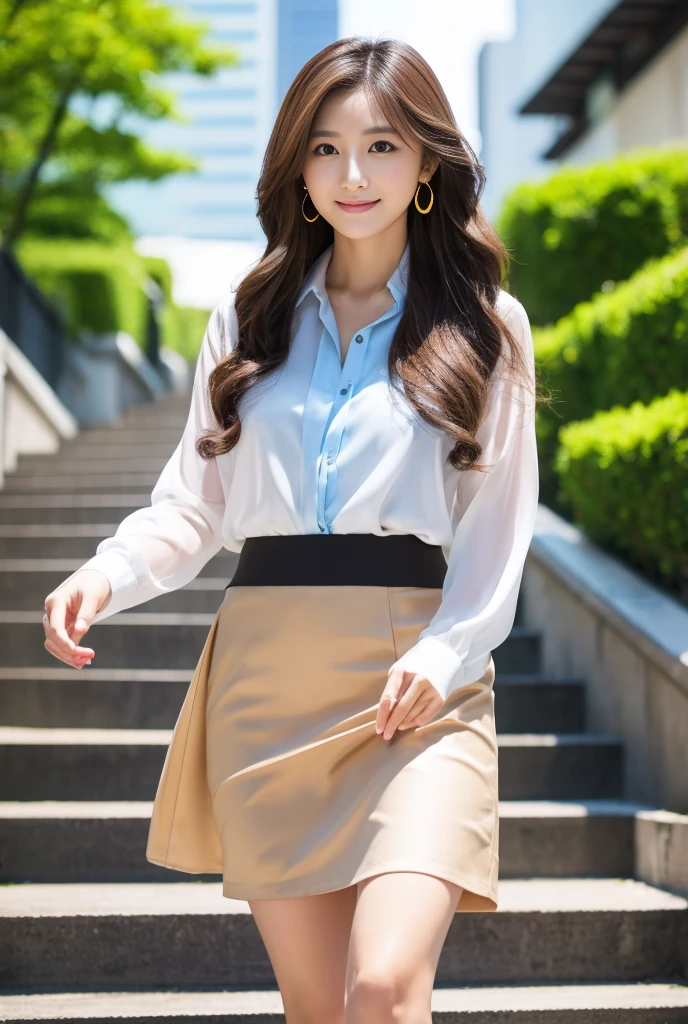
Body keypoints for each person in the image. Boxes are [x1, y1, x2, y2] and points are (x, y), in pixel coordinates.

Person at [42, 35, 540, 1024]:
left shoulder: (488, 325)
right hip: (268, 685)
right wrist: (106, 572)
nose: (351, 175)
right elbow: (195, 502)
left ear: (427, 164)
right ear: (295, 167)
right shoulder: (246, 317)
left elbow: (496, 534)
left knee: (387, 988)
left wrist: (443, 655)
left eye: (382, 146)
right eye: (324, 149)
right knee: (319, 1007)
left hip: (418, 689)